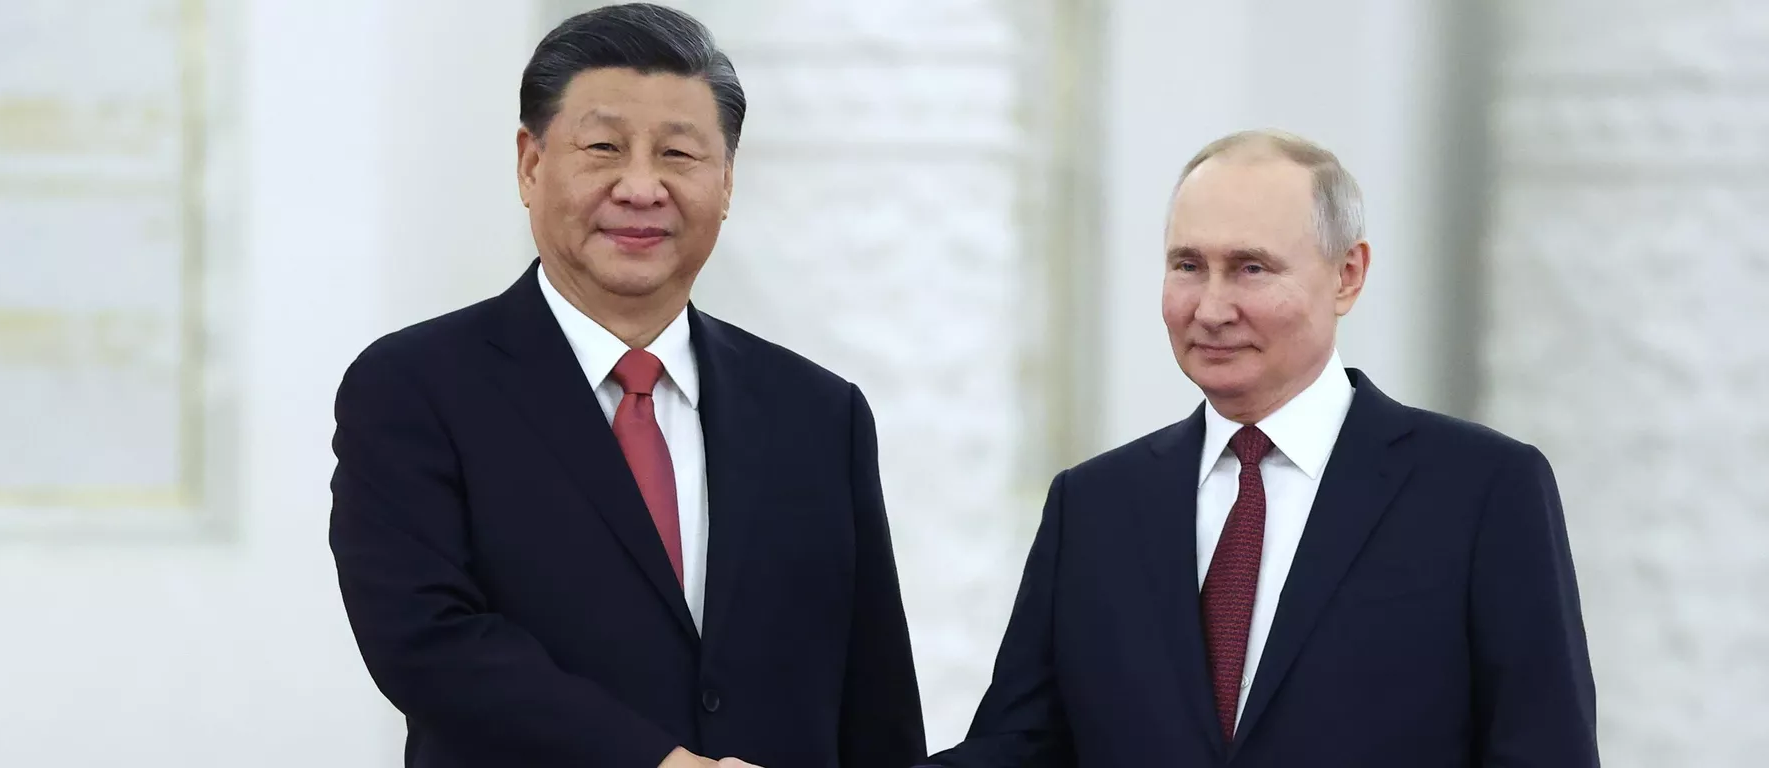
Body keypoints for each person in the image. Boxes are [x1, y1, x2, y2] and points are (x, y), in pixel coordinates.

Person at [327, 5, 925, 767]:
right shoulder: (416, 388)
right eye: (604, 147)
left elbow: (875, 698)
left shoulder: (819, 413)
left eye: (679, 154)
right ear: (531, 164)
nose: (641, 188)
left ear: (727, 180)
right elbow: (427, 642)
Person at [924, 130, 1599, 766]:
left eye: (1250, 268)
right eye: (1188, 265)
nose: (1212, 308)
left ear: (1348, 275)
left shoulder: (1480, 491)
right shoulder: (1094, 505)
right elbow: (1023, 748)